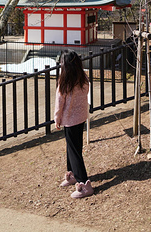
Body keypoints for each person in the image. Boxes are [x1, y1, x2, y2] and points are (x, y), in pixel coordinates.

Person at [54, 49, 94, 199]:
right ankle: (71, 174)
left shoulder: (64, 82)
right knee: (73, 147)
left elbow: (59, 103)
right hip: (81, 116)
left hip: (70, 120)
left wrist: (57, 118)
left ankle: (84, 183)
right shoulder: (83, 78)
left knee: (74, 151)